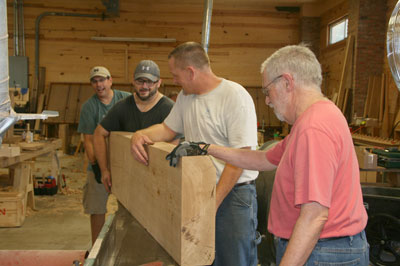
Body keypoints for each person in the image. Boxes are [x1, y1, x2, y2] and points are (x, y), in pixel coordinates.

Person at [173, 45, 369, 266]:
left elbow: (314, 216)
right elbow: (263, 159)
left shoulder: (313, 128)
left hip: (323, 250)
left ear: (287, 82)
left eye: (267, 91)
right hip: (324, 248)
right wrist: (206, 148)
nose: (267, 100)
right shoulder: (318, 116)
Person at [131, 42, 260, 266]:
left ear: (191, 72)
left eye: (175, 75)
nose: (174, 80)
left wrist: (212, 204)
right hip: (198, 192)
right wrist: (140, 134)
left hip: (233, 196)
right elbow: (168, 129)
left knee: (233, 260)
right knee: (200, 259)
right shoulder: (186, 97)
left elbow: (239, 160)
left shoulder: (234, 96)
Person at [93, 60, 175, 193]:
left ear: (159, 82)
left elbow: (176, 143)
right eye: (139, 81)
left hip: (158, 183)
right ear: (133, 81)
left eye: (149, 82)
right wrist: (104, 170)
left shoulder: (169, 109)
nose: (144, 86)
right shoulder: (122, 107)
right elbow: (98, 134)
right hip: (129, 180)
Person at [77, 66, 131, 246]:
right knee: (97, 207)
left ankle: (127, 245)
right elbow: (89, 140)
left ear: (110, 80)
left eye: (102, 80)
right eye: (95, 81)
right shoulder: (89, 107)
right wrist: (98, 167)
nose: (99, 84)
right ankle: (97, 249)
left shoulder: (125, 99)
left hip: (123, 163)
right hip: (99, 164)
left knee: (131, 208)